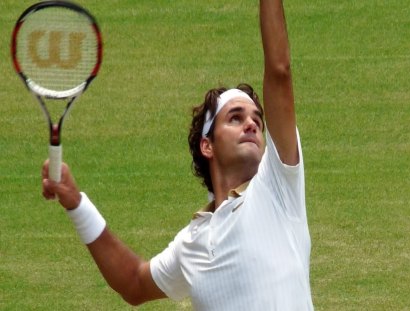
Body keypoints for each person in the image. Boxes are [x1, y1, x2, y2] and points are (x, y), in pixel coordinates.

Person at [41, 0, 314, 310]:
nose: (251, 124)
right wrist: (75, 202)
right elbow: (133, 282)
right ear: (207, 145)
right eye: (235, 118)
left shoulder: (278, 187)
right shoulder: (193, 242)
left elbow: (280, 72)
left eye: (257, 120)